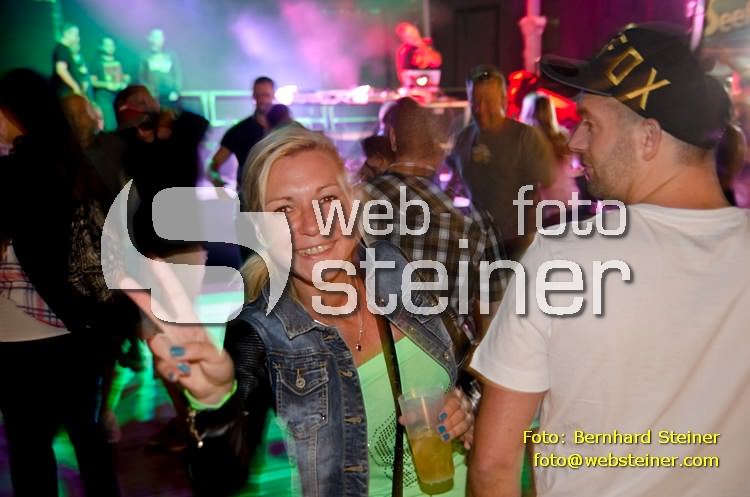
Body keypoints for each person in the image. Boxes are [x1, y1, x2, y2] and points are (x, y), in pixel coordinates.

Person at [468, 24, 748, 497]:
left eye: (591, 123)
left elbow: (494, 465)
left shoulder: (564, 259)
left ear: (648, 138)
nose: (575, 141)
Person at [122, 125, 477, 497]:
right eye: (284, 209)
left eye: (327, 199)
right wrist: (215, 403)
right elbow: (219, 479)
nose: (312, 225)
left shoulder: (394, 266)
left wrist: (467, 407)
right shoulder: (258, 333)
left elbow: (466, 365)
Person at [0, 68, 127, 497]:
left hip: (22, 334)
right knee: (89, 442)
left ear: (14, 112)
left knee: (29, 449)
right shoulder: (74, 165)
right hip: (80, 329)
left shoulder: (16, 170)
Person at [362, 97, 505, 339]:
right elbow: (494, 315)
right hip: (448, 358)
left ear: (393, 139)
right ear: (443, 147)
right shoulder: (475, 219)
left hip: (377, 355)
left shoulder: (355, 201)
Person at [449, 65, 555, 259]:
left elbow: (549, 187)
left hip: (519, 245)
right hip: (478, 244)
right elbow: (452, 184)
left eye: (488, 101)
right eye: (475, 102)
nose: (481, 109)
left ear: (504, 101)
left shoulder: (525, 137)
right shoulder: (464, 138)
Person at [519, 92, 590, 226]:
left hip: (548, 209)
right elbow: (574, 168)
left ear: (527, 113)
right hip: (571, 202)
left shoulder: (525, 143)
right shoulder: (563, 136)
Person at [207, 76, 275, 189]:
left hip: (280, 195)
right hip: (248, 196)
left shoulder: (285, 128)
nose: (262, 100)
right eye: (258, 95)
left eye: (266, 95)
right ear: (253, 96)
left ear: (273, 95)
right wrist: (218, 184)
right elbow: (213, 164)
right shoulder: (239, 131)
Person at [91, 36, 130, 131]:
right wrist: (107, 85)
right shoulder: (96, 62)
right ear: (101, 47)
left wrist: (124, 83)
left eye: (112, 45)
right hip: (104, 97)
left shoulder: (120, 60)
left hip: (120, 96)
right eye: (107, 45)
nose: (110, 47)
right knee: (110, 125)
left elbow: (127, 76)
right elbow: (93, 81)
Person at [139, 28, 182, 108]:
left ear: (163, 39)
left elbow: (177, 75)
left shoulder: (171, 55)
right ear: (149, 39)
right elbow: (141, 78)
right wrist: (148, 92)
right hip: (153, 96)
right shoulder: (144, 57)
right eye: (154, 37)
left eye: (159, 37)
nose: (156, 40)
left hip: (170, 95)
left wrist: (176, 91)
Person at [52, 23, 88, 97]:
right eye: (76, 35)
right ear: (66, 33)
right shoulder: (62, 49)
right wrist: (75, 86)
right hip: (66, 93)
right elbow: (61, 70)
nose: (77, 38)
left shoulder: (66, 50)